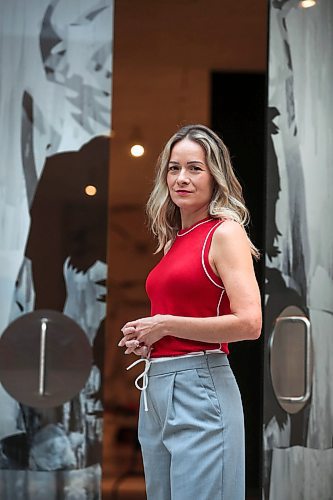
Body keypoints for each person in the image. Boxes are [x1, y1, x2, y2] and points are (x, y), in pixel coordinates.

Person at [118, 124, 262, 500]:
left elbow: (250, 323)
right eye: (173, 168)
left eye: (195, 168)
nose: (181, 178)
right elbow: (182, 317)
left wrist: (165, 324)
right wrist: (149, 338)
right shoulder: (174, 241)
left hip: (200, 385)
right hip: (157, 387)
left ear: (216, 175)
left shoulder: (225, 233)